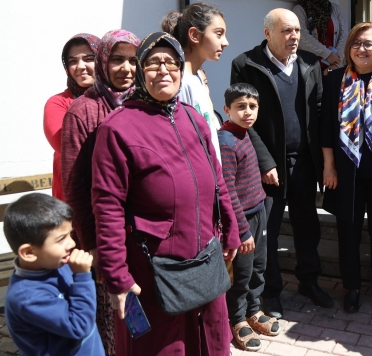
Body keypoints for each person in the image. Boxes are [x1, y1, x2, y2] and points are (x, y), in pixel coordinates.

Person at [92, 32, 240, 355]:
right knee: (162, 347)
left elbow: (217, 180)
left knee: (211, 342)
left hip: (204, 260)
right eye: (153, 63)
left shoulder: (192, 118)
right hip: (153, 270)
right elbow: (107, 207)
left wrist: (231, 229)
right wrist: (116, 275)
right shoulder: (118, 128)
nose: (163, 70)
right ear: (140, 71)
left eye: (171, 62)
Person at [230, 9, 332, 319]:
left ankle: (309, 282)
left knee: (307, 227)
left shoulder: (309, 63)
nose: (294, 36)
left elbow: (318, 110)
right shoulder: (246, 64)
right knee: (269, 232)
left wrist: (323, 161)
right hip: (268, 168)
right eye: (287, 30)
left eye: (297, 30)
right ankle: (270, 292)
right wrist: (264, 161)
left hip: (304, 163)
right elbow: (244, 119)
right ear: (268, 33)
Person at [61, 29, 140, 356]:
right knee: (119, 318)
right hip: (107, 236)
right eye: (117, 59)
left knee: (146, 313)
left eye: (133, 60)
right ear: (104, 62)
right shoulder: (83, 111)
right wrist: (92, 243)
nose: (126, 68)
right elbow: (75, 187)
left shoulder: (145, 102)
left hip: (145, 235)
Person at [321, 22, 372, 313]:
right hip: (347, 172)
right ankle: (352, 287)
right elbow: (326, 127)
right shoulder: (334, 79)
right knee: (348, 232)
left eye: (369, 43)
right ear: (349, 48)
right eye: (356, 43)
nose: (362, 49)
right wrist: (329, 167)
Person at [3, 193, 103, 356]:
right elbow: (78, 327)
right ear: (29, 253)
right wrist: (82, 277)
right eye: (61, 239)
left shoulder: (54, 264)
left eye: (70, 234)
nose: (72, 243)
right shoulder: (27, 297)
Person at [218, 84, 276, 351]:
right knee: (241, 274)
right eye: (240, 107)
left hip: (258, 211)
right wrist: (242, 230)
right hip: (242, 220)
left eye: (253, 106)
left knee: (258, 267)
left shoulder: (246, 134)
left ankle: (253, 310)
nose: (248, 112)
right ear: (227, 109)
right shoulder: (226, 141)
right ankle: (237, 318)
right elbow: (228, 191)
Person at [162, 1, 229, 163]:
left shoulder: (197, 77)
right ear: (194, 35)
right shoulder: (181, 81)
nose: (225, 42)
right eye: (218, 34)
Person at [43, 34, 99, 201]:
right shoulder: (58, 103)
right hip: (74, 198)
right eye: (73, 61)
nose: (80, 66)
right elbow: (67, 146)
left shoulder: (118, 99)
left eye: (89, 59)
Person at [292, 0, 348, 76]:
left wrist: (337, 63)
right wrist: (327, 54)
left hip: (334, 68)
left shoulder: (335, 9)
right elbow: (302, 37)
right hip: (310, 69)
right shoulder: (299, 10)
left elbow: (344, 35)